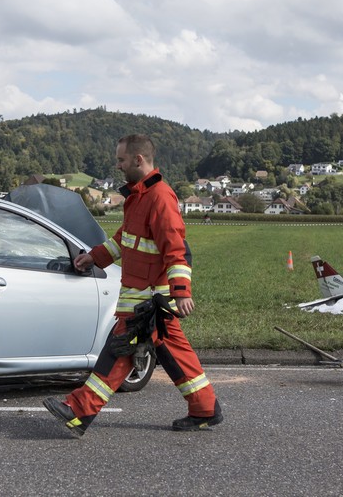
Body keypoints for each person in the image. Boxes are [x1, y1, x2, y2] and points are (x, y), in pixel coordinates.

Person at [43, 134, 222, 436]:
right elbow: (124, 240)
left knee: (118, 352)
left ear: (138, 160)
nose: (118, 165)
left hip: (150, 300)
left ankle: (78, 411)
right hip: (141, 298)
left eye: (122, 160)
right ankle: (205, 409)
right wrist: (93, 258)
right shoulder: (137, 198)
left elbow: (175, 247)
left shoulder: (160, 197)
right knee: (173, 354)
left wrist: (181, 291)